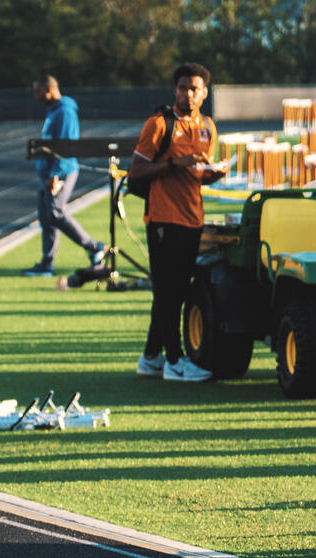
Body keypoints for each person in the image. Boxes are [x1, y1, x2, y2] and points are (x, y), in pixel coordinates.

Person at [127, 62, 224, 382]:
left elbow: (198, 177)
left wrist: (214, 174)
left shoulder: (207, 126)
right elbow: (136, 172)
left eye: (194, 88)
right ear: (175, 90)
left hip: (193, 216)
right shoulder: (158, 124)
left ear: (204, 93)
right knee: (169, 293)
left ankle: (150, 357)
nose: (188, 94)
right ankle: (175, 361)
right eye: (182, 88)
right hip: (163, 219)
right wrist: (175, 162)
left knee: (177, 292)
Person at [23, 75, 105, 277]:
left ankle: (94, 247)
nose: (35, 96)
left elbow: (66, 146)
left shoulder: (65, 111)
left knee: (55, 213)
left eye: (38, 91)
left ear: (50, 89)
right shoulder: (53, 111)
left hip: (61, 172)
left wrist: (55, 174)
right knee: (46, 218)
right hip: (48, 173)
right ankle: (46, 263)